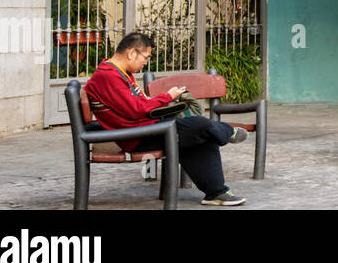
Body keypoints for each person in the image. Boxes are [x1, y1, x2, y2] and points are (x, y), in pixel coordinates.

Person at [85, 32, 247, 205]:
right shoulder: (108, 75)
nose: (145, 63)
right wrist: (168, 96)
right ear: (132, 53)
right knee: (200, 124)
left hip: (145, 128)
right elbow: (136, 109)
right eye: (145, 57)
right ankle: (228, 131)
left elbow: (139, 104)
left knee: (200, 135)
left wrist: (164, 101)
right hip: (138, 136)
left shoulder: (120, 73)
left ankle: (216, 193)